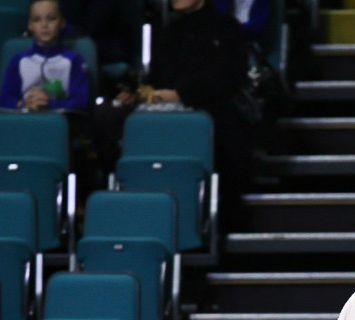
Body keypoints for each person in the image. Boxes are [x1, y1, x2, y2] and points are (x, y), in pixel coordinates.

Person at [90, 0, 251, 227]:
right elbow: (155, 79)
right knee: (109, 119)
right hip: (162, 113)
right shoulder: (170, 31)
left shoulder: (226, 29)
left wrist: (181, 94)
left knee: (223, 134)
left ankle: (209, 219)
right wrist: (138, 94)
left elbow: (228, 78)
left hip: (211, 111)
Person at [0, 0, 90, 113]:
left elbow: (81, 101)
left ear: (62, 23)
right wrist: (24, 104)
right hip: (24, 119)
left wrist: (50, 104)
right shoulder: (18, 60)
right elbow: (5, 99)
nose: (44, 25)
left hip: (61, 122)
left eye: (51, 19)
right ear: (30, 26)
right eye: (37, 20)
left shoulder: (74, 60)